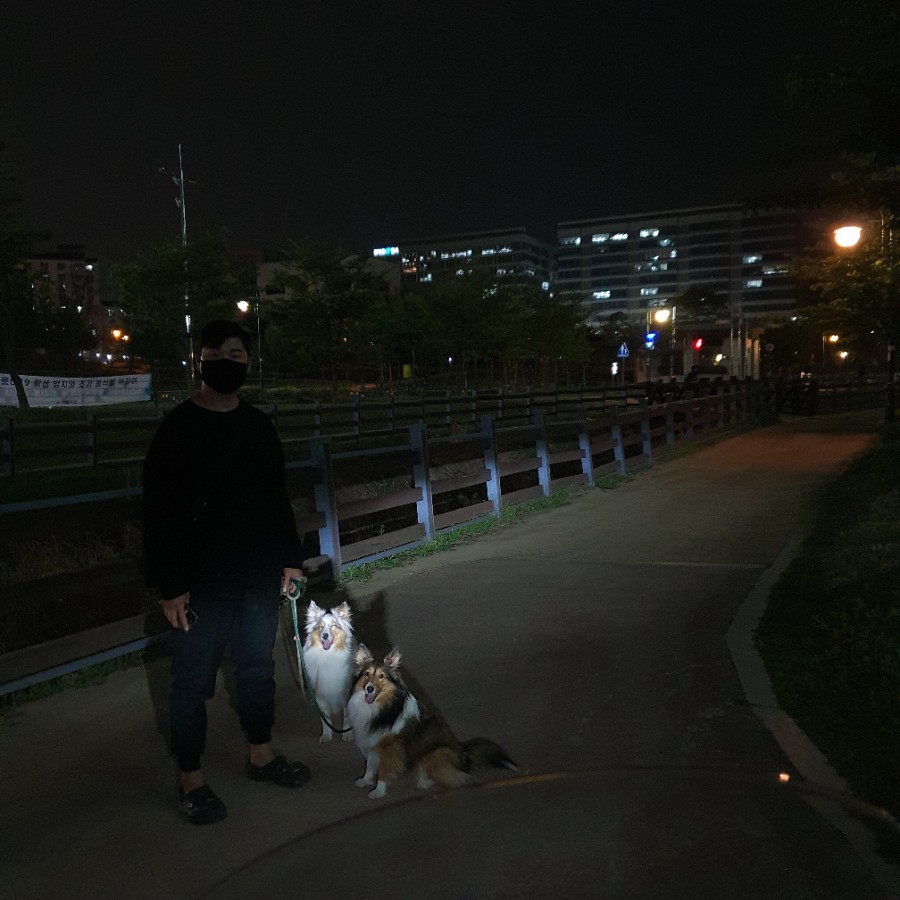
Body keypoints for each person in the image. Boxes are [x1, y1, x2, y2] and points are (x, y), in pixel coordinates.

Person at [143, 320, 310, 825]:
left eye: (235, 354)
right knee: (191, 681)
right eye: (215, 354)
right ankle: (190, 778)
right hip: (200, 583)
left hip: (256, 574)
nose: (225, 363)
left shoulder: (258, 426)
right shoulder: (177, 429)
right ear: (199, 361)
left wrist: (290, 559)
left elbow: (277, 499)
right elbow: (158, 513)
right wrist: (171, 586)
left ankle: (260, 753)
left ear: (248, 362)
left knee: (257, 668)